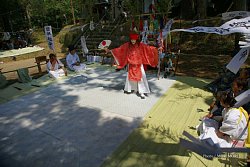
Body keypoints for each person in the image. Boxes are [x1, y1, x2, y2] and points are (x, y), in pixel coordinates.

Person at [104, 32, 158, 99]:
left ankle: (142, 92)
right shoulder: (127, 45)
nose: (133, 41)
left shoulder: (141, 45)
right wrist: (110, 51)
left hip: (139, 65)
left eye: (134, 39)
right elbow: (119, 49)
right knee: (130, 78)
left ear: (136, 39)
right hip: (131, 64)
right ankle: (132, 89)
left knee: (141, 78)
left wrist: (156, 49)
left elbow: (148, 48)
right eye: (132, 39)